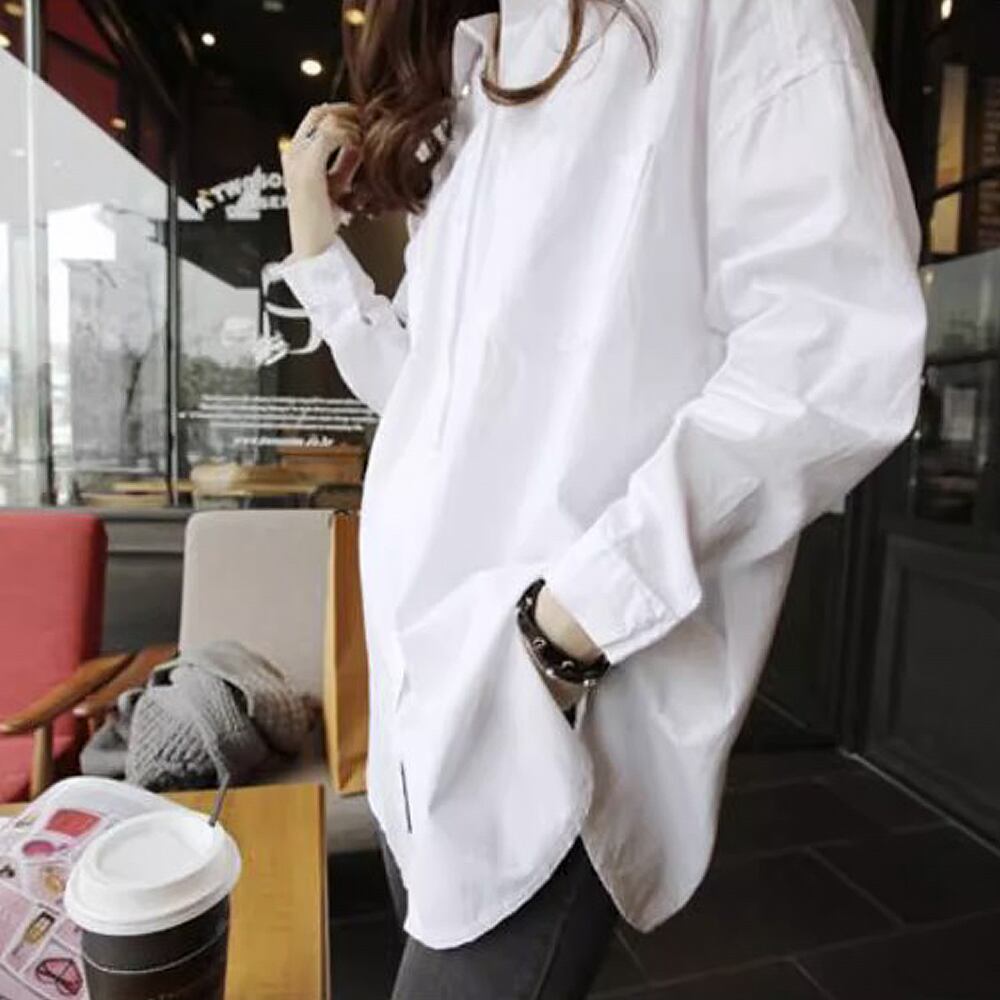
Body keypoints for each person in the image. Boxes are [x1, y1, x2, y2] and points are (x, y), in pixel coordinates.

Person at [278, 1, 927, 996]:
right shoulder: (476, 83)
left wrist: (560, 633)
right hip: (424, 698)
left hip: (550, 709)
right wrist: (318, 249)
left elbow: (832, 349)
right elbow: (430, 401)